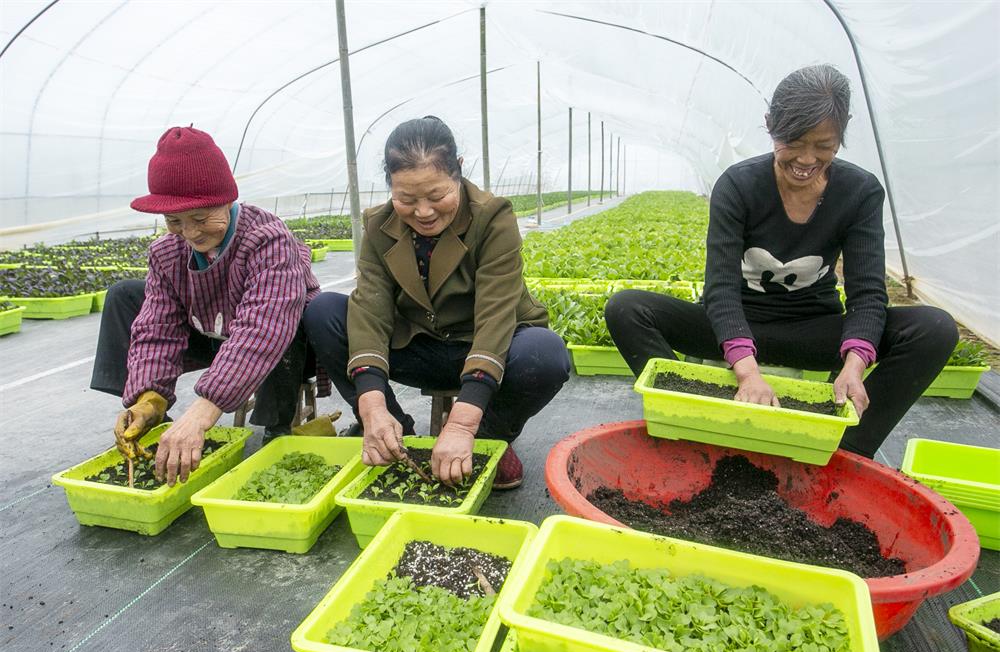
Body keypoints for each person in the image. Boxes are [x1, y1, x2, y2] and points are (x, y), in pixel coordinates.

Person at [605, 65, 957, 459]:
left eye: (824, 146)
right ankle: (690, 421)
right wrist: (747, 371)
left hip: (812, 330)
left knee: (935, 329)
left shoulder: (859, 192)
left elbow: (867, 294)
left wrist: (854, 366)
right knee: (627, 308)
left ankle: (847, 451)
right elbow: (720, 288)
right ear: (770, 126)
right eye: (793, 141)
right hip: (735, 325)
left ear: (842, 134)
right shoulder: (739, 185)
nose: (806, 159)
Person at [304, 116, 570, 489]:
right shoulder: (379, 227)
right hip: (420, 345)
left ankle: (488, 440)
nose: (423, 212)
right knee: (323, 311)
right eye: (406, 199)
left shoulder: (492, 218)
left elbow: (496, 315)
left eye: (437, 195)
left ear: (458, 172)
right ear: (390, 187)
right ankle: (399, 438)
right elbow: (370, 310)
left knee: (546, 353)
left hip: (488, 347)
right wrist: (372, 405)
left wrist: (463, 424)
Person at [91, 126, 321, 485]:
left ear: (227, 200)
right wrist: (148, 400)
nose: (191, 233)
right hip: (215, 334)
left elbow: (263, 329)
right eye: (174, 222)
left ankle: (277, 431)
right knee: (125, 295)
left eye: (201, 218)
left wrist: (202, 412)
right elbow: (157, 329)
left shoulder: (267, 239)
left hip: (291, 346)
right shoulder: (167, 253)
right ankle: (158, 426)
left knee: (281, 328)